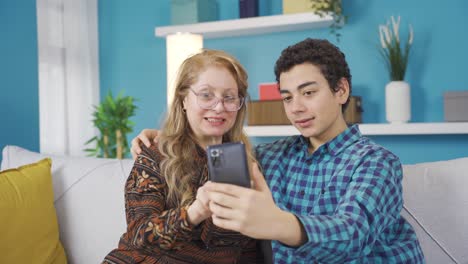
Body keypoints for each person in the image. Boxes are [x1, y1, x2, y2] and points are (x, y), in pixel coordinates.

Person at [131, 39, 425, 263]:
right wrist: (170, 137)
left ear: (341, 91)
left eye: (308, 93)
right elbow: (205, 147)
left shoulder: (377, 163)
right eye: (287, 97)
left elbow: (352, 233)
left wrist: (279, 223)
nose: (296, 108)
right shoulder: (268, 157)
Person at [103, 49, 263, 264]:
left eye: (229, 97)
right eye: (206, 95)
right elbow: (139, 235)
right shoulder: (154, 154)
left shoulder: (248, 163)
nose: (219, 107)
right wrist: (195, 212)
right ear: (184, 100)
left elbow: (247, 248)